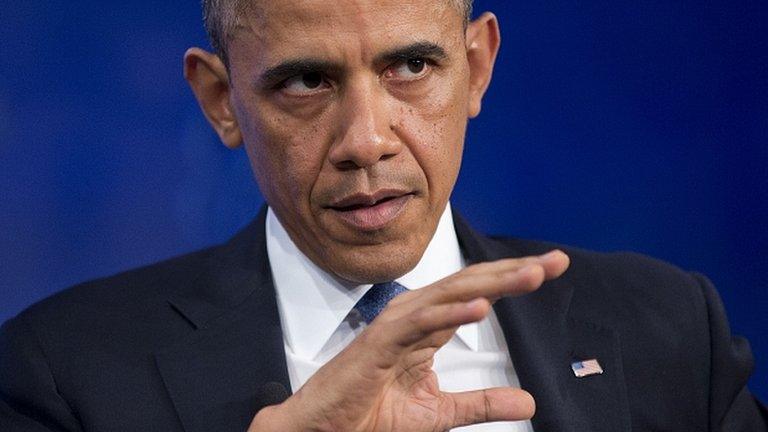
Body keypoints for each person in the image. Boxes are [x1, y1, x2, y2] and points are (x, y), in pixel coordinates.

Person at [1, 0, 766, 431]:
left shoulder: (668, 327)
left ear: (477, 68)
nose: (366, 140)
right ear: (220, 101)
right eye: (305, 80)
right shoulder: (63, 372)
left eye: (410, 67)